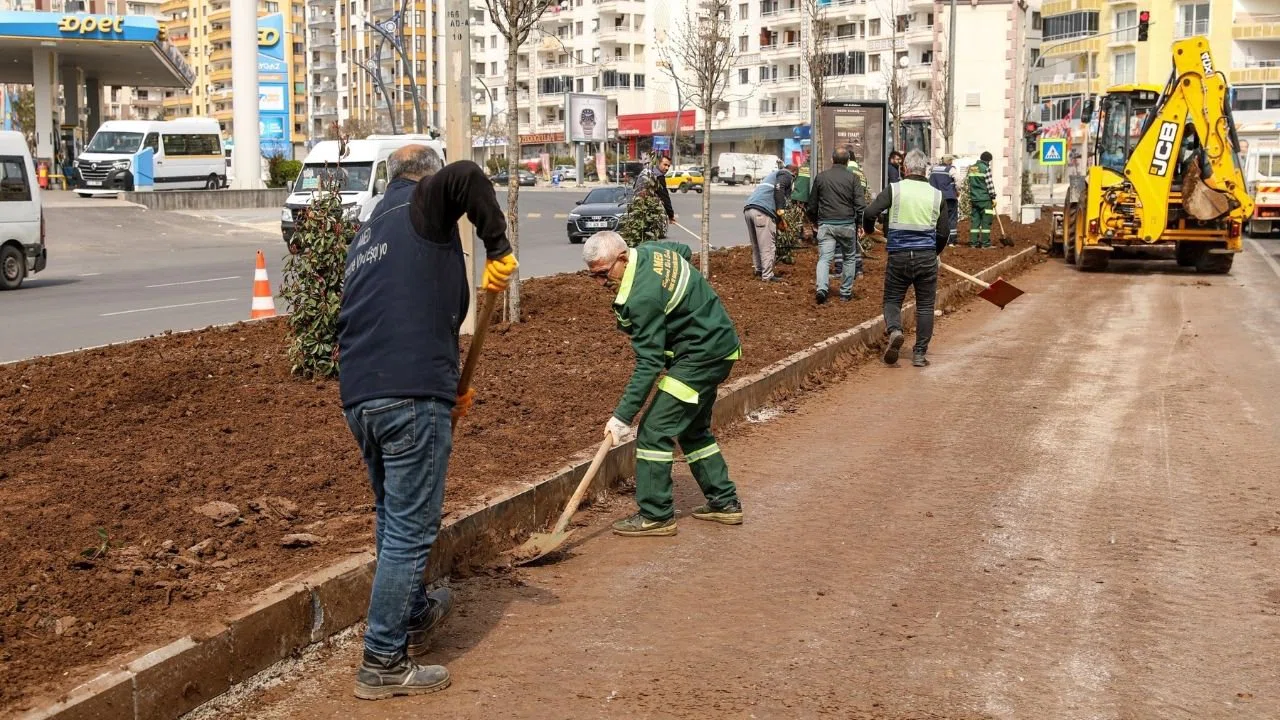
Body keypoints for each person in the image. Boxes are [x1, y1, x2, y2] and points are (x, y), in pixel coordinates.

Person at [336, 145, 518, 700]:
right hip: (409, 394)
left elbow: (396, 307)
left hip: (364, 397)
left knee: (392, 516)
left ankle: (412, 612)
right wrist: (497, 247)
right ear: (424, 176)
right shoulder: (422, 201)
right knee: (411, 529)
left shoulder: (368, 232)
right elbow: (466, 176)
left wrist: (445, 390)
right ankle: (382, 661)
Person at [582, 231, 744, 536]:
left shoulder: (642, 298)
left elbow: (649, 363)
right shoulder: (652, 251)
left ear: (623, 258)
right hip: (719, 346)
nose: (601, 283)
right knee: (694, 431)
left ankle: (656, 515)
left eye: (604, 274)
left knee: (654, 430)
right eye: (594, 276)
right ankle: (724, 503)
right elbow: (683, 251)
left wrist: (622, 417)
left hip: (700, 358)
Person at [862, 149, 950, 368]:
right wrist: (934, 253)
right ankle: (919, 354)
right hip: (926, 257)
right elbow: (943, 233)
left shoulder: (895, 189)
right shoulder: (937, 195)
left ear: (906, 168)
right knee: (925, 306)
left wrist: (870, 230)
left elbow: (869, 213)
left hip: (899, 255)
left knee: (892, 300)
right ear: (925, 170)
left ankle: (895, 330)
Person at [807, 146, 867, 304]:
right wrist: (860, 224)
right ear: (848, 161)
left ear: (832, 159)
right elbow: (860, 205)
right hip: (847, 225)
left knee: (824, 259)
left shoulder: (821, 177)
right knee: (849, 258)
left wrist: (814, 222)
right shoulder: (853, 178)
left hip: (826, 224)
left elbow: (812, 205)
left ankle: (821, 289)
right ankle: (845, 293)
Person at [742, 163, 792, 282]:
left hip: (749, 209)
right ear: (794, 173)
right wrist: (780, 211)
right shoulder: (786, 174)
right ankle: (767, 275)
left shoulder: (772, 175)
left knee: (756, 244)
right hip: (762, 211)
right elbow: (779, 188)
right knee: (767, 246)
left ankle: (759, 270)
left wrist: (779, 221)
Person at [967, 151, 997, 248]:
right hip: (985, 200)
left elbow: (970, 183)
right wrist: (993, 197)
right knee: (986, 221)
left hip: (974, 199)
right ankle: (985, 243)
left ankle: (973, 243)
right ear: (988, 160)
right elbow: (989, 184)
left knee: (975, 221)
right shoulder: (986, 168)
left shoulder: (972, 168)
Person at [929, 155, 959, 246]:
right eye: (951, 161)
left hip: (935, 197)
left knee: (936, 218)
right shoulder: (950, 169)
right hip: (949, 197)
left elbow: (928, 180)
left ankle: (935, 239)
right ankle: (951, 241)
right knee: (951, 218)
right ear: (949, 161)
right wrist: (958, 190)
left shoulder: (933, 169)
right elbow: (958, 180)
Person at [636, 155, 676, 224]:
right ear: (658, 163)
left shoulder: (645, 172)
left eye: (668, 166)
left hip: (637, 209)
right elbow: (664, 197)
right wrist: (670, 215)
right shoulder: (659, 177)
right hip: (648, 211)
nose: (667, 168)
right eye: (665, 165)